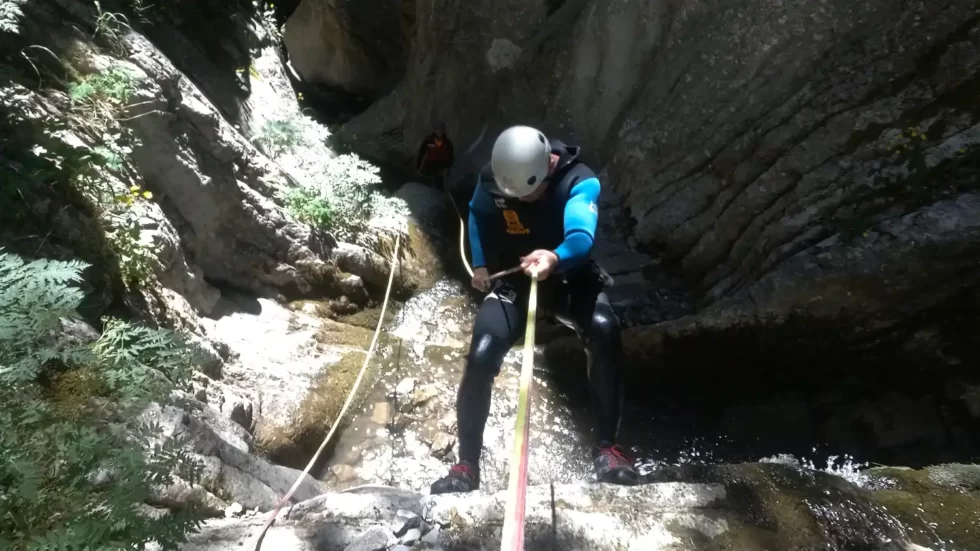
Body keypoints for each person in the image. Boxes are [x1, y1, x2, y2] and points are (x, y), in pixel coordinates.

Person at [429, 125, 640, 495]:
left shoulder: (579, 180)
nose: (524, 201)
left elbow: (580, 235)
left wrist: (555, 257)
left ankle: (609, 447)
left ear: (548, 167)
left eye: (532, 193)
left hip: (566, 278)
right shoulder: (493, 178)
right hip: (515, 280)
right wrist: (480, 264)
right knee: (480, 355)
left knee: (604, 329)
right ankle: (467, 466)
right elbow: (477, 213)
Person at [415, 121, 455, 189]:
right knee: (423, 186)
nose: (439, 131)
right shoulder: (428, 140)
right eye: (437, 129)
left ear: (444, 130)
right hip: (428, 166)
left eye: (441, 129)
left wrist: (447, 168)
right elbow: (421, 154)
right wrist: (418, 167)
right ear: (434, 130)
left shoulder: (448, 143)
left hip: (440, 169)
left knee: (439, 188)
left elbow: (450, 157)